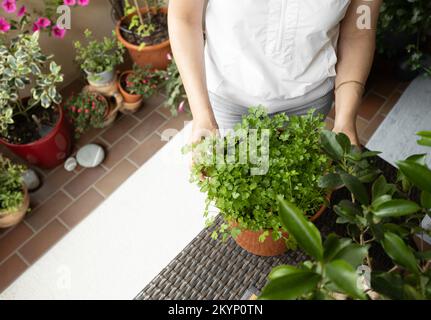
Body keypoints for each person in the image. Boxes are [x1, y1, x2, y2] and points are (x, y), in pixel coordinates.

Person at [168, 0, 382, 145]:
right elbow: (184, 18)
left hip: (310, 102)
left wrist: (345, 120)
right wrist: (202, 116)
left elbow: (358, 32)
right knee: (242, 184)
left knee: (297, 186)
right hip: (231, 100)